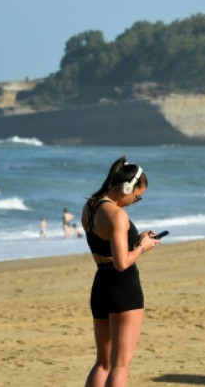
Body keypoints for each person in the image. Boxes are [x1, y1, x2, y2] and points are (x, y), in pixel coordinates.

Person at [81, 157, 161, 387]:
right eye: (136, 196)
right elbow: (122, 262)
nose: (136, 201)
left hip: (101, 285)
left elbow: (106, 246)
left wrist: (137, 239)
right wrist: (142, 247)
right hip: (122, 287)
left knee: (103, 363)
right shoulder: (117, 215)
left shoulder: (91, 206)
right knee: (120, 365)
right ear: (126, 188)